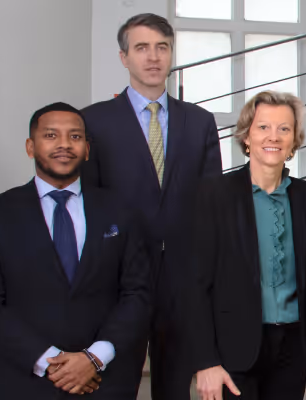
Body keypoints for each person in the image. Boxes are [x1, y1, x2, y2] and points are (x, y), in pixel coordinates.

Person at [0, 103, 151, 399]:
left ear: (86, 149)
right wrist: (50, 362)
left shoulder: (120, 211)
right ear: (30, 147)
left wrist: (94, 358)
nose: (64, 144)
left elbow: (138, 292)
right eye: (51, 135)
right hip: (25, 381)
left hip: (106, 382)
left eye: (75, 136)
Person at [81, 13, 222, 399]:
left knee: (174, 389)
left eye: (162, 47)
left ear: (172, 54)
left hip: (183, 280)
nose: (153, 57)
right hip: (118, 280)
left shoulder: (200, 121)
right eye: (142, 47)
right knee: (114, 387)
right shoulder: (93, 122)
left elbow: (211, 203)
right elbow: (88, 202)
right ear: (124, 57)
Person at [185, 91, 306, 400]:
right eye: (263, 127)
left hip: (293, 351)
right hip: (231, 352)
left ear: (294, 140)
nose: (273, 136)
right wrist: (205, 361)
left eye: (284, 128)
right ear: (247, 137)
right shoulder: (214, 195)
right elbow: (194, 286)